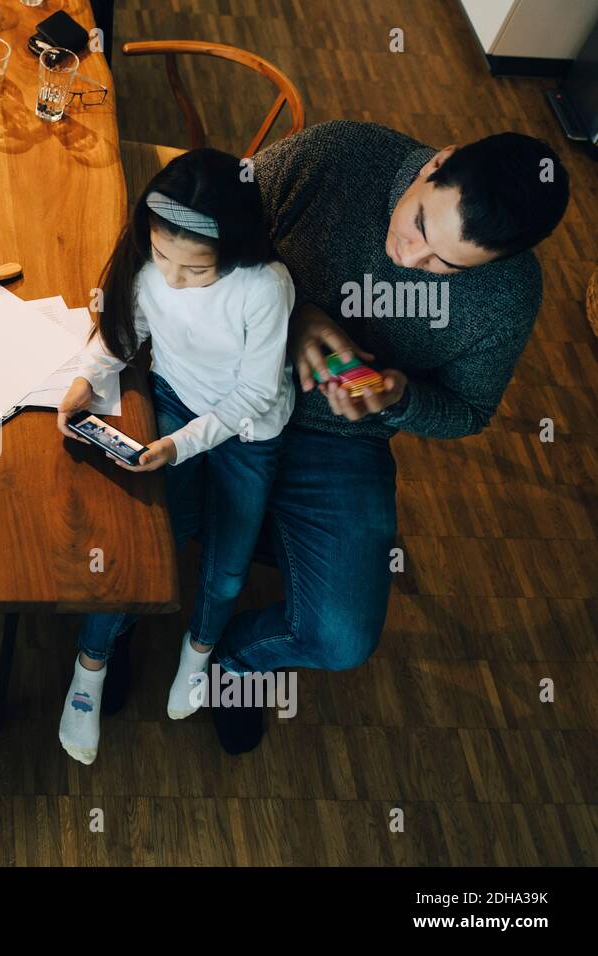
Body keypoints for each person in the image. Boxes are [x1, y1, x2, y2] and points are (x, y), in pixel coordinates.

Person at [77, 121, 572, 757]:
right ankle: (109, 638)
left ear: (499, 264)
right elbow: (214, 219)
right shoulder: (339, 156)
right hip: (209, 385)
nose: (409, 258)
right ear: (436, 164)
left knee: (342, 638)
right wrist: (299, 312)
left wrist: (400, 398)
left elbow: (470, 409)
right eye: (420, 224)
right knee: (142, 536)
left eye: (445, 266)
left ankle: (231, 666)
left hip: (341, 441)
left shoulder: (511, 297)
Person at [56, 148, 295, 765]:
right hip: (177, 396)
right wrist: (87, 378)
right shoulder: (149, 262)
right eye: (161, 257)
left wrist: (181, 444)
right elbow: (127, 329)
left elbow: (256, 393)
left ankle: (200, 650)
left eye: (194, 270)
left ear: (234, 253)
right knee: (151, 542)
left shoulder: (263, 288)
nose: (171, 279)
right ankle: (90, 669)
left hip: (248, 426)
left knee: (230, 563)